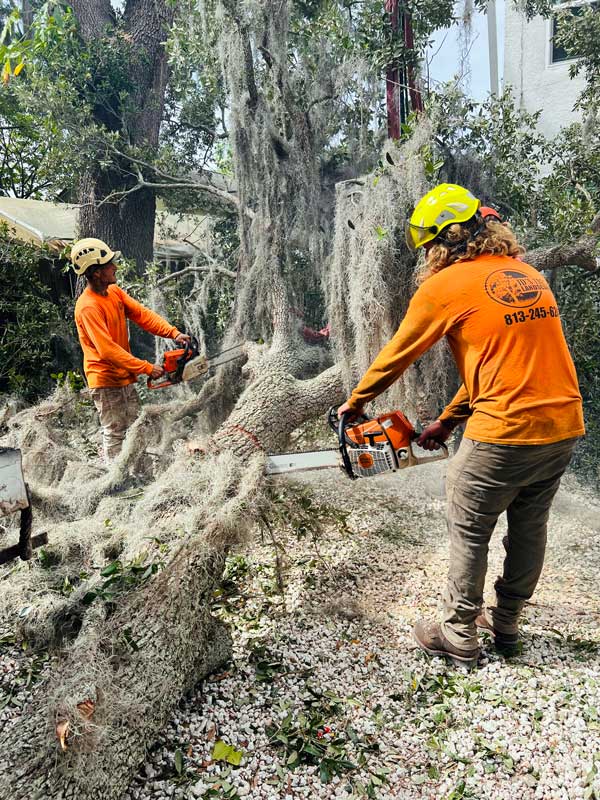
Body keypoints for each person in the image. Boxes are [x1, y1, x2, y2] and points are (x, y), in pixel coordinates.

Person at [338, 183, 584, 668]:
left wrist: (355, 403)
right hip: (561, 426)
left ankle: (458, 634)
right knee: (530, 527)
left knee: (470, 527)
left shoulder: (445, 286)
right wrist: (447, 423)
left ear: (446, 238)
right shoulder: (528, 274)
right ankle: (508, 624)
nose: (428, 254)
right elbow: (499, 367)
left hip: (505, 431)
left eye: (429, 244)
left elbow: (398, 354)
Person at [71, 237, 190, 462]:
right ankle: (117, 481)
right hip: (105, 379)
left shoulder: (114, 292)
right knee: (116, 431)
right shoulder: (88, 307)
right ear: (96, 272)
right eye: (109, 264)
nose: (115, 267)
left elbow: (142, 315)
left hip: (124, 375)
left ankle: (139, 473)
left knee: (135, 427)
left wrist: (173, 333)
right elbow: (106, 350)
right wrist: (146, 368)